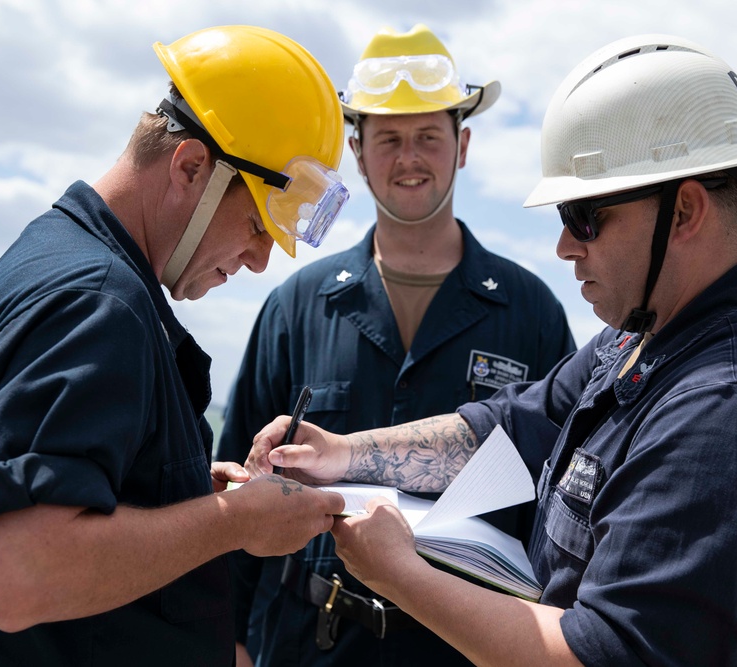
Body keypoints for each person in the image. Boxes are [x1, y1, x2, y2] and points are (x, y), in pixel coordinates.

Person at [246, 34, 737, 666]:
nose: (565, 247)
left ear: (684, 210)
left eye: (585, 216)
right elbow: (513, 427)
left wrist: (398, 575)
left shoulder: (732, 411)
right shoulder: (650, 334)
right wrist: (342, 453)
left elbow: (607, 656)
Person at [0, 25, 349, 666]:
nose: (262, 260)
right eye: (260, 223)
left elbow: (64, 494)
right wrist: (236, 523)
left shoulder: (64, 260)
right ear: (190, 166)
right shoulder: (95, 302)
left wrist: (174, 492)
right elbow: (16, 572)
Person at [217, 24, 576, 667]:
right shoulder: (297, 307)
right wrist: (231, 643)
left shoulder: (532, 313)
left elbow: (562, 505)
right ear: (357, 152)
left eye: (427, 137)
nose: (409, 158)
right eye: (388, 139)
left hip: (470, 645)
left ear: (461, 146)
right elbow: (237, 483)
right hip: (307, 643)